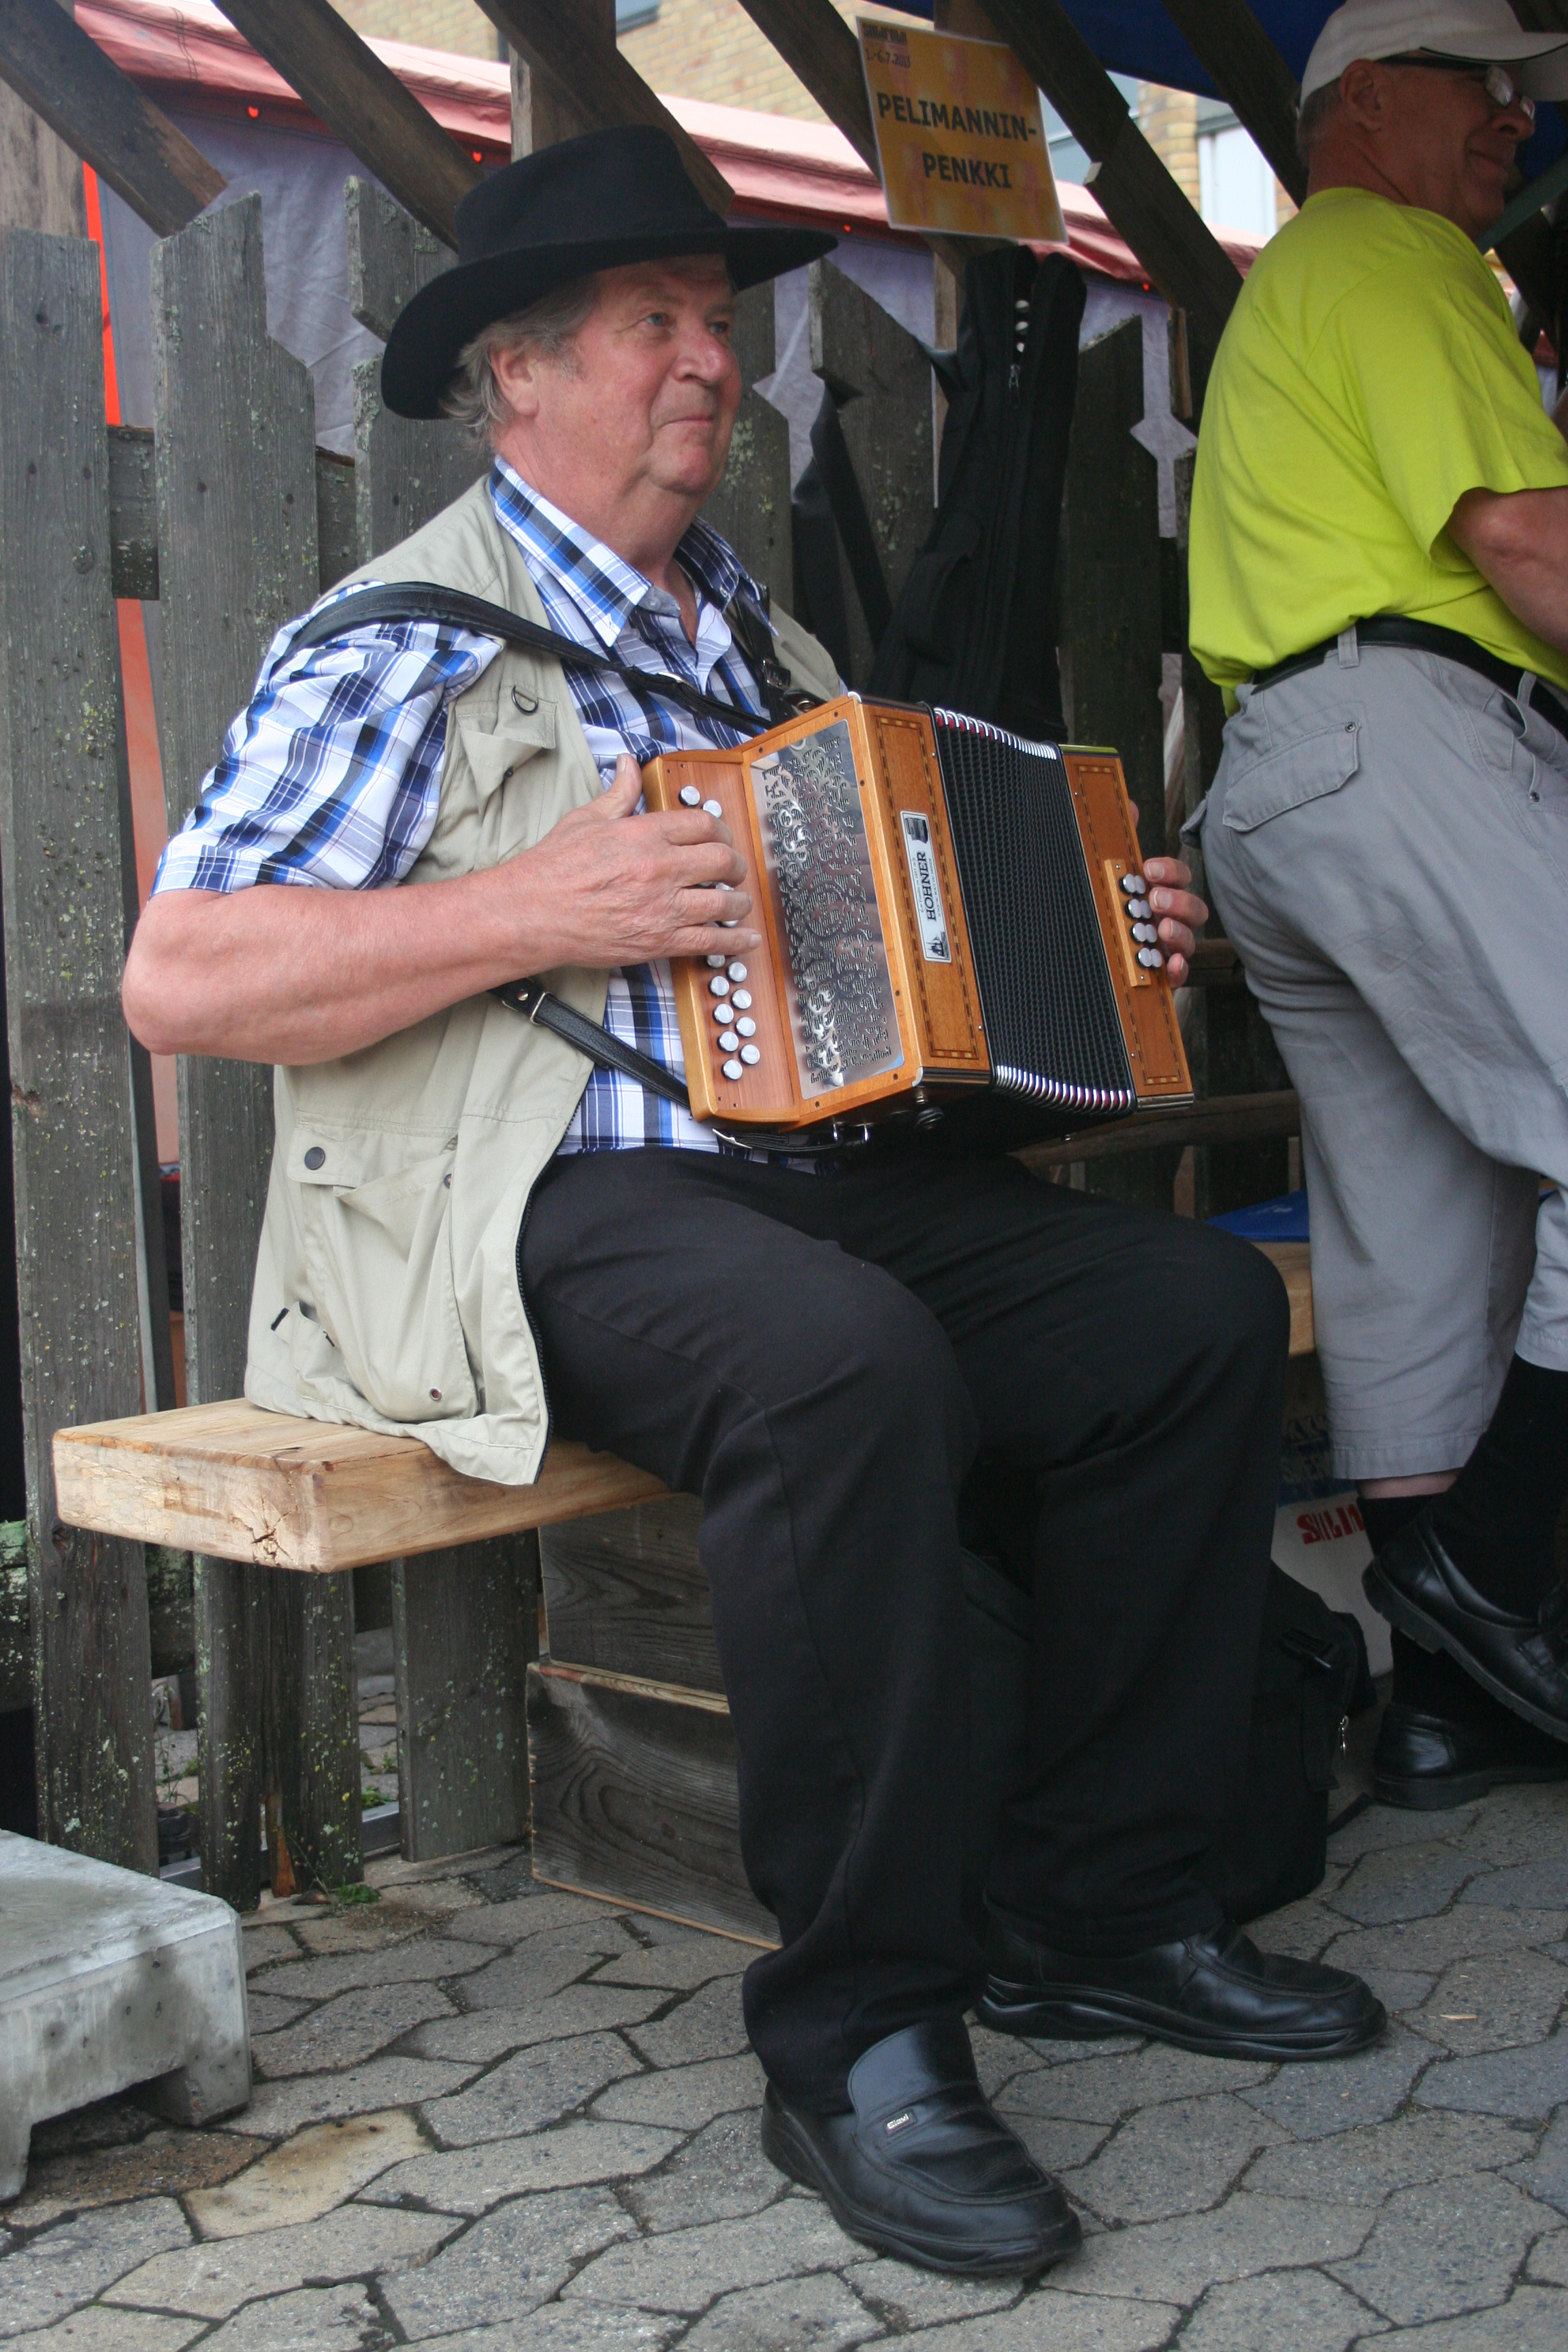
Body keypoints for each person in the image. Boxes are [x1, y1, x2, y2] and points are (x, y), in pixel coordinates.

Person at [123, 127, 1382, 2282]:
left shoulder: (761, 644)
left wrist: (1114, 923)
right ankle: (863, 2038)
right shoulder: (404, 640)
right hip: (531, 1208)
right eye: (657, 324)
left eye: (721, 320)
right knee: (838, 1364)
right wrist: (540, 899)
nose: (712, 360)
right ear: (516, 376)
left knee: (1174, 1320)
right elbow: (187, 972)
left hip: (806, 1184)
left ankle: (1108, 1906)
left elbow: (898, 944)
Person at [1188, 0, 1568, 1814]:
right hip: (1408, 731)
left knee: (1423, 1243)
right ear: (1362, 107)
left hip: (1283, 781)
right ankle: (1496, 1569)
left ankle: (1446, 1708)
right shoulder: (1403, 259)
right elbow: (1529, 541)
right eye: (1480, 85)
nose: (1513, 118)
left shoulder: (1297, 281)